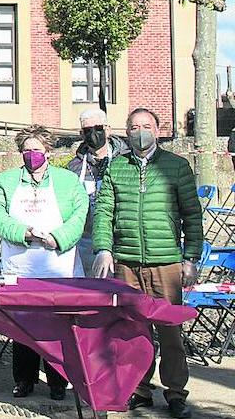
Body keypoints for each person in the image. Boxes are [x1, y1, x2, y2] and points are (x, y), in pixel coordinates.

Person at [93, 108, 204, 419]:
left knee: (170, 333)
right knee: (132, 331)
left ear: (158, 130)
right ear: (126, 132)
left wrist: (191, 257)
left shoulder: (177, 166)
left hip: (165, 262)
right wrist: (103, 248)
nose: (139, 131)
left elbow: (192, 215)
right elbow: (104, 211)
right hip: (127, 262)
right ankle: (138, 390)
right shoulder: (116, 167)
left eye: (146, 126)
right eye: (133, 126)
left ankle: (176, 393)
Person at [0, 125, 87, 401]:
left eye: (37, 150)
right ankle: (23, 379)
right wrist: (22, 233)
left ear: (49, 152)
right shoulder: (6, 181)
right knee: (23, 327)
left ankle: (58, 380)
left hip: (58, 266)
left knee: (57, 327)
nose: (32, 155)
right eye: (27, 150)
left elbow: (80, 214)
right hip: (20, 266)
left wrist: (59, 238)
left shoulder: (68, 181)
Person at [67, 108, 127, 276]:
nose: (93, 134)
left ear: (108, 130)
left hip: (120, 242)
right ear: (81, 133)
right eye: (87, 130)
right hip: (86, 243)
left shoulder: (125, 161)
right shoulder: (74, 167)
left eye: (98, 128)